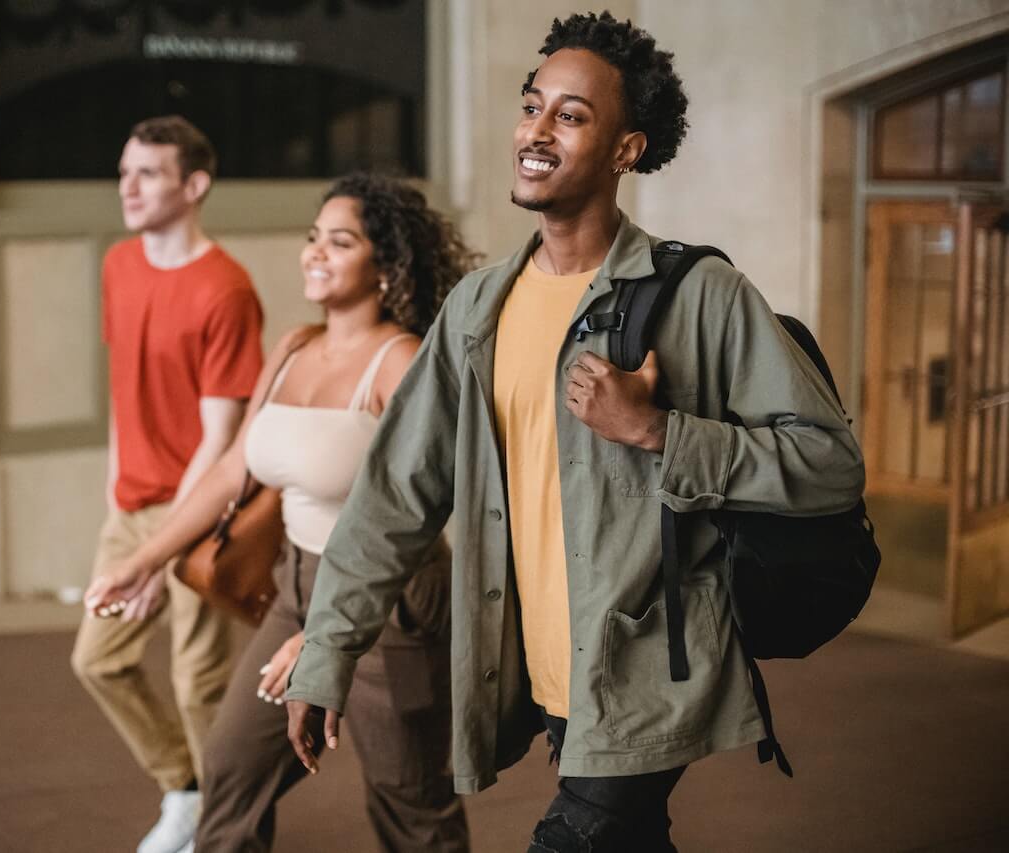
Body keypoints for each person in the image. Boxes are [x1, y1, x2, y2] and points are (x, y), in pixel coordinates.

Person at [284, 12, 866, 853]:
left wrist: (661, 430)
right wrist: (327, 654)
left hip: (649, 667)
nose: (537, 130)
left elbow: (829, 463)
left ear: (627, 150)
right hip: (548, 673)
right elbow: (394, 495)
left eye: (571, 114)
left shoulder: (699, 293)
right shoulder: (478, 309)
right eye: (533, 105)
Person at [86, 172, 478, 852]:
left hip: (392, 601)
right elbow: (234, 466)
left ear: (386, 265)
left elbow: (423, 508)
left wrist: (336, 622)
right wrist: (144, 559)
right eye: (312, 238)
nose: (315, 253)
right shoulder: (292, 347)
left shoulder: (401, 364)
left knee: (409, 805)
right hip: (296, 591)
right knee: (232, 768)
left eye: (341, 241)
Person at [70, 115, 265, 853]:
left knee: (199, 685)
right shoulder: (119, 265)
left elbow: (218, 440)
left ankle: (227, 827)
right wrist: (116, 496)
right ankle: (185, 788)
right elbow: (126, 394)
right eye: (125, 171)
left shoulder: (227, 289)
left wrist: (160, 548)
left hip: (200, 510)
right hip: (131, 506)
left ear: (194, 185)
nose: (128, 185)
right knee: (98, 658)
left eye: (147, 173)